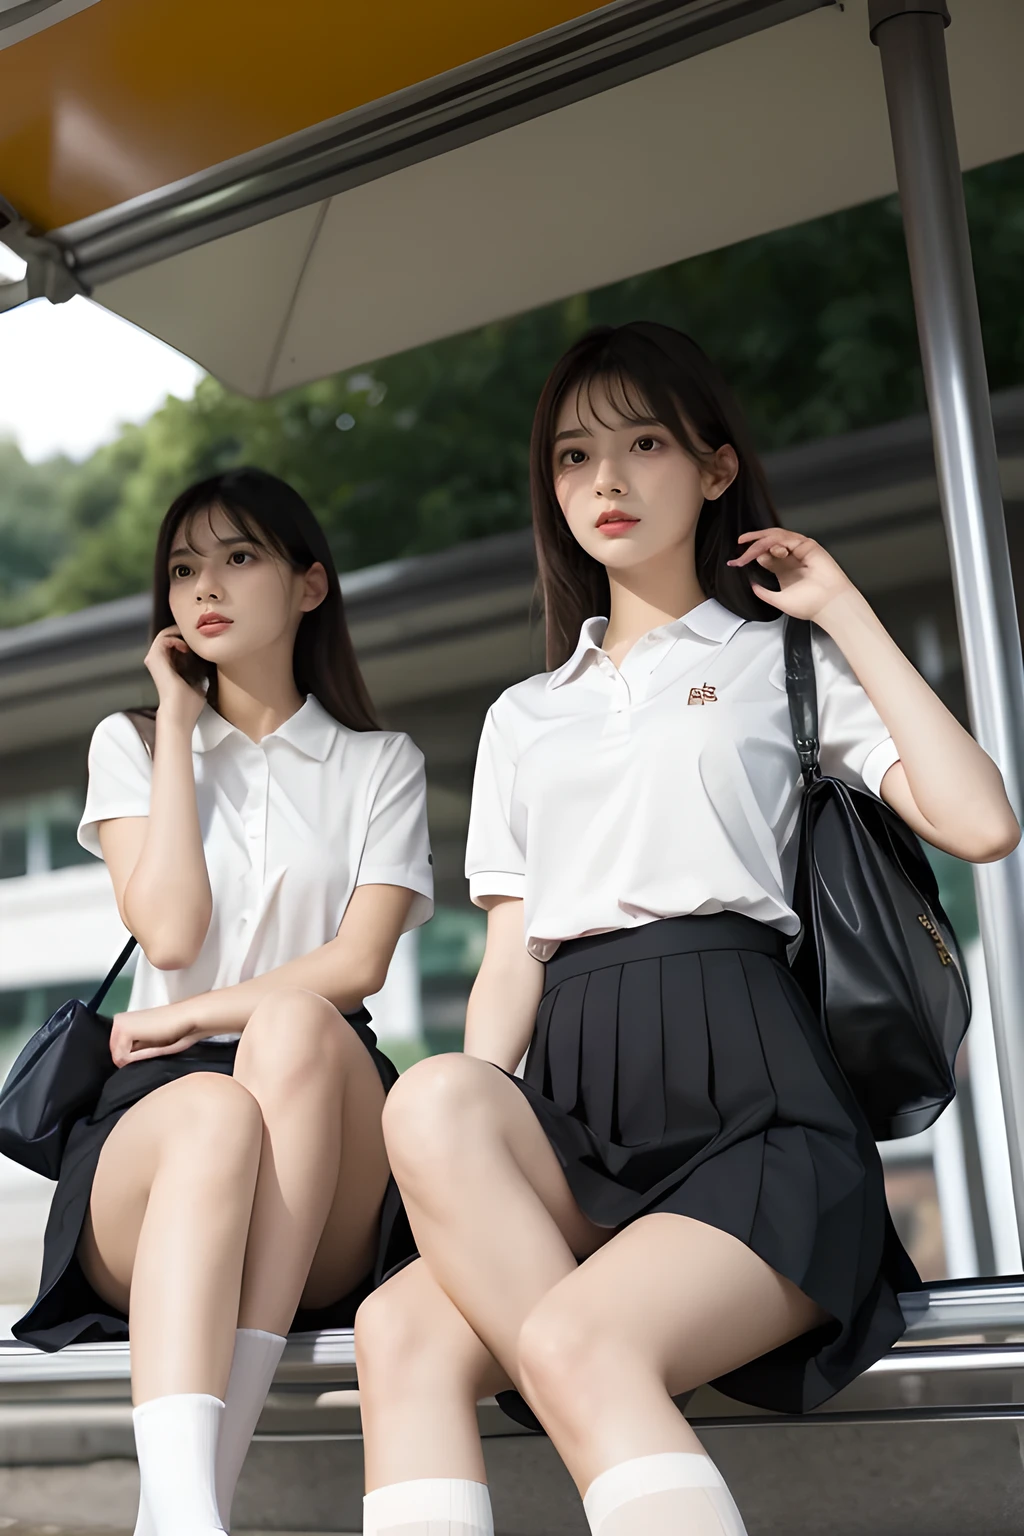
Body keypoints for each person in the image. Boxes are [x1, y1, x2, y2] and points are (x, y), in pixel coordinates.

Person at [353, 323, 1020, 1536]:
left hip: (756, 1106)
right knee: (409, 1245)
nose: (602, 483)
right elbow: (512, 953)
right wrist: (465, 1177)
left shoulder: (782, 664)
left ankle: (583, 1368)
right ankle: (585, 1376)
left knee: (570, 1338)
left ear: (715, 470)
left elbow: (980, 823)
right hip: (574, 1105)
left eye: (641, 443)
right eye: (571, 456)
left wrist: (842, 609)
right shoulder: (523, 714)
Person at [13, 468, 433, 1536]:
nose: (204, 586)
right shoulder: (137, 744)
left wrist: (199, 1013)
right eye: (184, 567)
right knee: (213, 1110)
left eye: (239, 558)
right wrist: (174, 724)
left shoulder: (377, 764)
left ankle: (180, 1509)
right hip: (163, 1135)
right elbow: (170, 933)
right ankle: (190, 1517)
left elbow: (359, 965)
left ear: (308, 586)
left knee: (296, 1023)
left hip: (320, 1137)